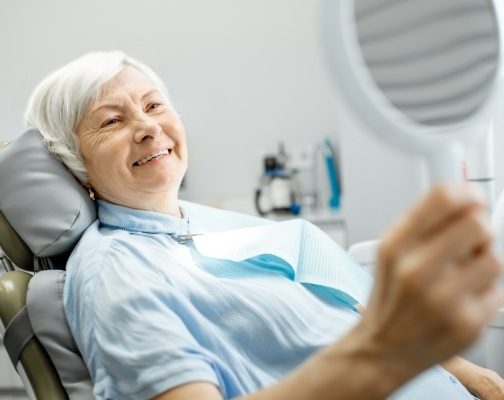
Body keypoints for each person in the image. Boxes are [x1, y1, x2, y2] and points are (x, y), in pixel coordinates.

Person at [24, 51, 504, 400]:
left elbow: (350, 309)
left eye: (153, 106)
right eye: (111, 121)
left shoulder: (207, 226)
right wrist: (381, 352)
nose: (147, 127)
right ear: (76, 165)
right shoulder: (115, 271)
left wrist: (469, 373)